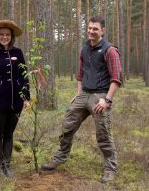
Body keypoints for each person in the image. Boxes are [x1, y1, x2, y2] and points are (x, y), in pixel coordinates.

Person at [41, 16, 122, 184]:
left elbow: (116, 78)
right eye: (90, 28)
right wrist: (78, 94)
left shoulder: (110, 50)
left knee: (103, 133)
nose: (92, 31)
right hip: (84, 94)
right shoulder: (84, 49)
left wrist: (106, 100)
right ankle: (61, 156)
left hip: (100, 96)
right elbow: (80, 75)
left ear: (103, 31)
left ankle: (110, 167)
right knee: (67, 126)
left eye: (95, 29)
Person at [0, 20, 30, 178]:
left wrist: (26, 98)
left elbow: (24, 76)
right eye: (2, 34)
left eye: (7, 34)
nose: (4, 37)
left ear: (12, 37)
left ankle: (7, 167)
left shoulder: (18, 52)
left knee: (9, 134)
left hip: (16, 101)